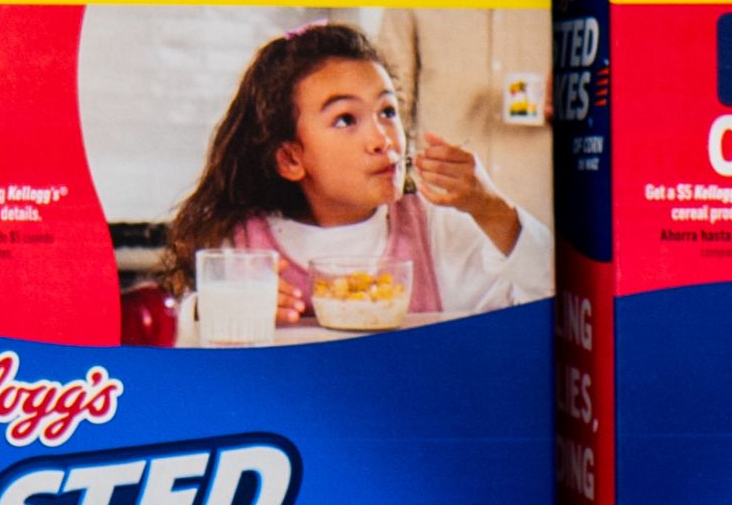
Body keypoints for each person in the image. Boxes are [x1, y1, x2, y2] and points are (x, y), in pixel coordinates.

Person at [158, 22, 526, 338]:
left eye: (387, 111)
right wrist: (215, 311)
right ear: (290, 159)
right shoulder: (243, 245)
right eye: (346, 120)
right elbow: (185, 357)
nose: (384, 139)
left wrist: (492, 208)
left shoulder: (434, 229)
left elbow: (538, 318)